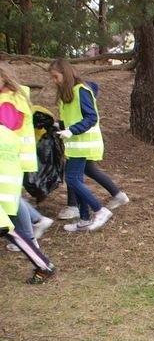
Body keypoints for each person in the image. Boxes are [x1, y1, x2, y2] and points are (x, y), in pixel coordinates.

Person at [49, 59, 114, 231]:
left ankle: (100, 210)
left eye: (56, 77)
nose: (54, 81)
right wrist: (59, 126)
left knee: (71, 178)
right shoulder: (67, 95)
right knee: (75, 179)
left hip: (83, 143)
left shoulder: (82, 91)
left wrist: (72, 131)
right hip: (75, 145)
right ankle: (84, 219)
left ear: (66, 74)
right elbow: (70, 119)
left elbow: (91, 117)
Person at [0, 65, 54, 249]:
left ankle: (30, 237)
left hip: (11, 158)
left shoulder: (8, 100)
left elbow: (5, 129)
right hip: (13, 156)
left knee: (12, 198)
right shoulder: (11, 96)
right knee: (12, 197)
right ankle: (32, 229)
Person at [0, 123, 56, 284]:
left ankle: (44, 265)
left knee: (12, 232)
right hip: (10, 189)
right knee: (12, 233)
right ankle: (44, 264)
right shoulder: (8, 134)